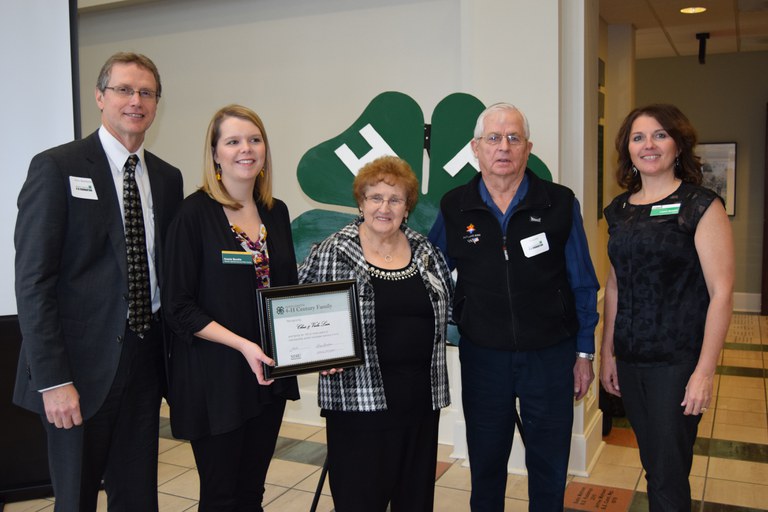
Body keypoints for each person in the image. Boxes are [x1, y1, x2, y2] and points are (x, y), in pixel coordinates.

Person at [13, 52, 183, 511]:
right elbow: (33, 282)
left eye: (147, 92)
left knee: (137, 495)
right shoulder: (57, 167)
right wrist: (53, 380)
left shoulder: (167, 178)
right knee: (76, 498)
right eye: (124, 89)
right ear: (100, 96)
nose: (136, 101)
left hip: (145, 359)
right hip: (77, 369)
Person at [429, 102, 600, 511]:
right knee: (486, 461)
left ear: (528, 147)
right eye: (493, 138)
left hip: (551, 353)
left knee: (549, 461)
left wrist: (583, 352)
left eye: (513, 138)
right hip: (483, 354)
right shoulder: (455, 206)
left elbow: (582, 281)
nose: (503, 147)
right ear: (476, 147)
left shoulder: (559, 203)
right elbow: (431, 272)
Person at [163, 104, 300, 511]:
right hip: (215, 377)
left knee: (251, 492)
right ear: (215, 153)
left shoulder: (276, 213)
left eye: (255, 140)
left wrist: (314, 349)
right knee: (221, 496)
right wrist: (242, 345)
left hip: (267, 376)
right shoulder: (193, 215)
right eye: (234, 141)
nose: (247, 149)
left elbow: (286, 292)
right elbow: (177, 306)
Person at [298, 155, 453, 512]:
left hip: (419, 401)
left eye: (395, 199)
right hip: (357, 405)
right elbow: (294, 312)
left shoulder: (426, 252)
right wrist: (317, 353)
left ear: (407, 206)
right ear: (361, 202)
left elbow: (450, 304)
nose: (385, 207)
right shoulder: (334, 251)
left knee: (414, 501)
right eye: (376, 197)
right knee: (360, 501)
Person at [600, 104, 733, 511]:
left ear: (678, 145)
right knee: (654, 464)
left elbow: (722, 290)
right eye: (638, 138)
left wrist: (704, 372)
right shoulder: (620, 210)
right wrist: (608, 353)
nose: (649, 145)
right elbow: (616, 284)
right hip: (632, 359)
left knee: (668, 474)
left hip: (677, 363)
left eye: (660, 135)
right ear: (628, 150)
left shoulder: (700, 205)